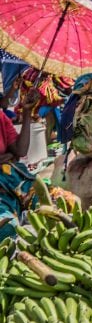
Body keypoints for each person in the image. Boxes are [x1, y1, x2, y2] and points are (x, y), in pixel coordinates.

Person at [0, 89, 39, 238]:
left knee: (61, 204)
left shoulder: (1, 117)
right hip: (4, 192)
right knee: (7, 229)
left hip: (13, 184)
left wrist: (27, 112)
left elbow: (20, 150)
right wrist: (8, 156)